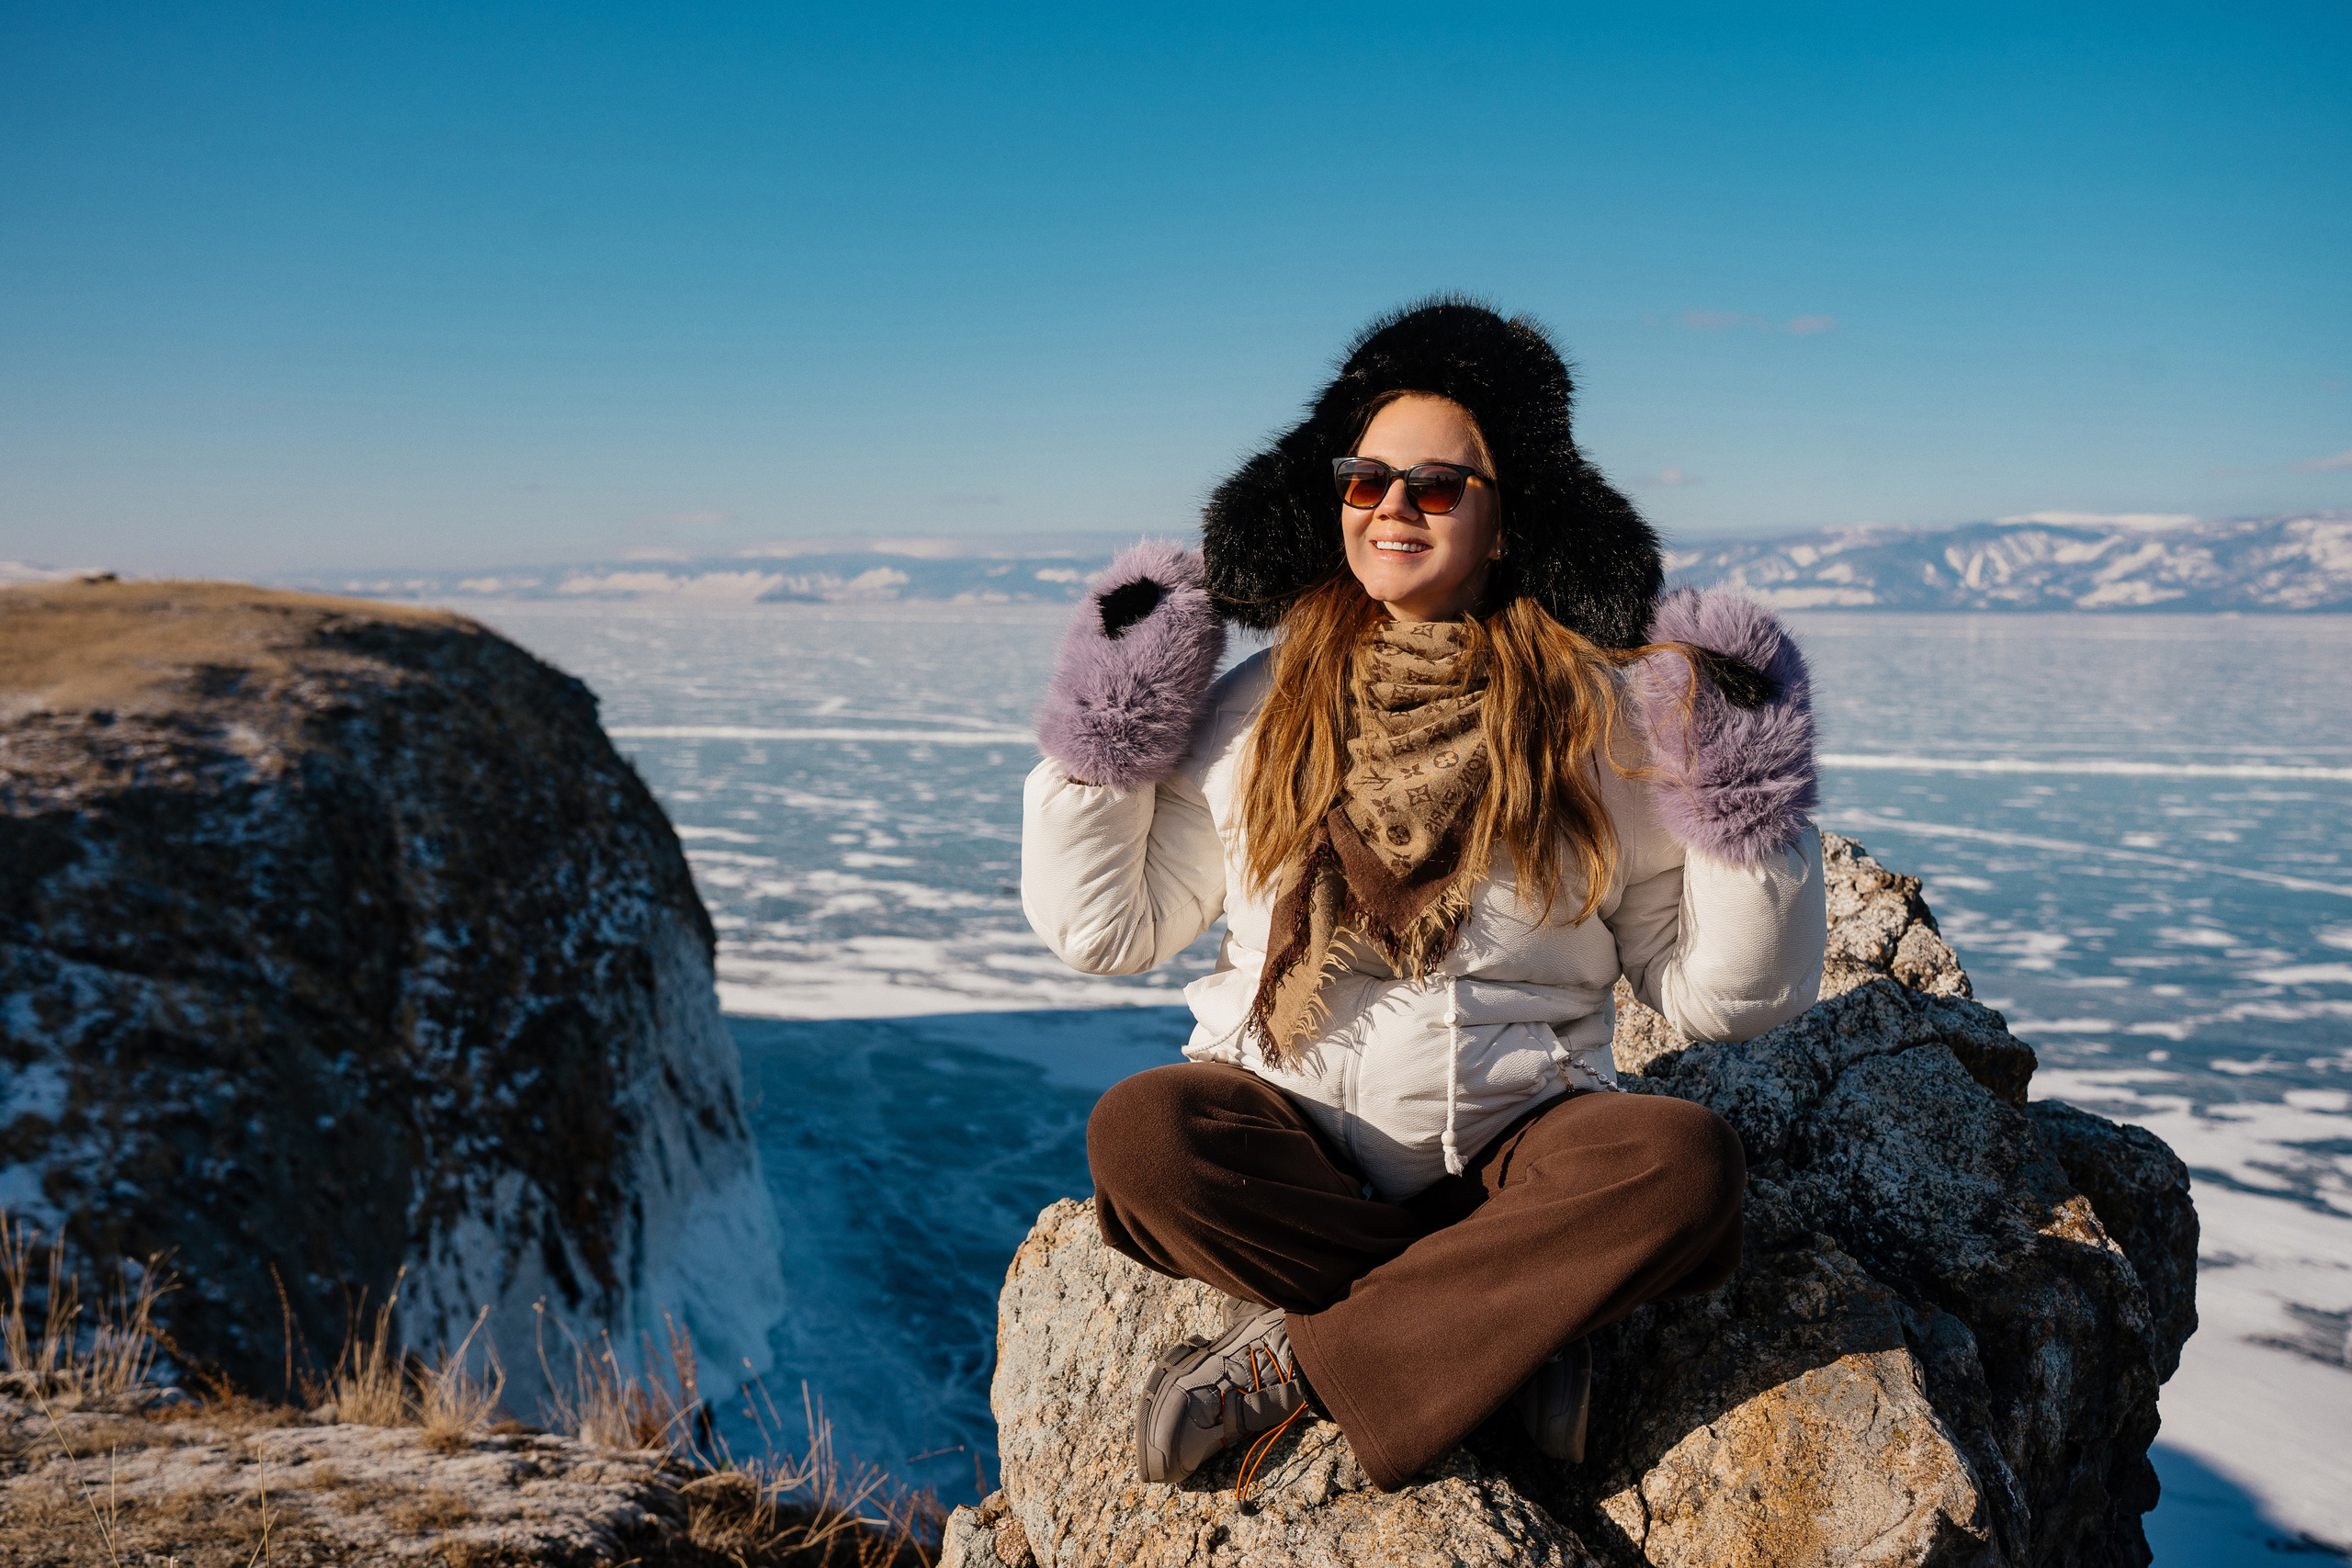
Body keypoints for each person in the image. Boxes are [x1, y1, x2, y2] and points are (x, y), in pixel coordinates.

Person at [1020, 297, 1826, 1495]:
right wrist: (1103, 739)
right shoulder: (1257, 709)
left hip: (1521, 1139)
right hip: (1290, 1126)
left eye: (1437, 487)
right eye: (1365, 479)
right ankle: (1504, 1325)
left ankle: (1307, 1362)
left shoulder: (1600, 719)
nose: (1391, 508)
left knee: (1683, 1166)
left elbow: (1718, 997)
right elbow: (1107, 931)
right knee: (1144, 1140)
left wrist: (1743, 805)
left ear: (1506, 522)